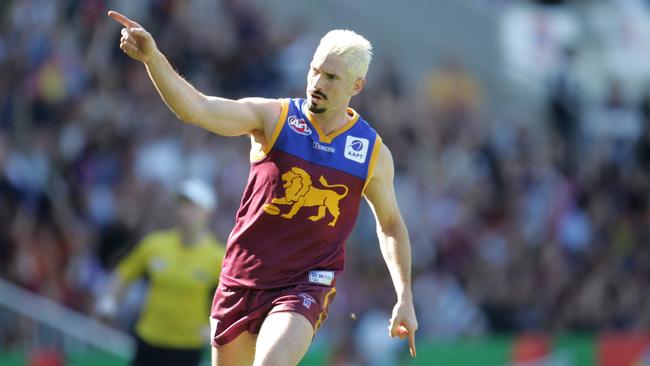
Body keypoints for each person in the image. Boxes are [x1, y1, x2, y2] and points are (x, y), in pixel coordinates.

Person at [107, 10, 418, 366]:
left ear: (356, 86)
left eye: (332, 77)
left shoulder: (372, 152)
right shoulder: (274, 118)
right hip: (241, 279)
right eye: (315, 70)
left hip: (304, 284)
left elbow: (391, 224)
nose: (318, 82)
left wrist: (404, 296)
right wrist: (153, 57)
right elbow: (197, 109)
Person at [95, 178, 225, 366]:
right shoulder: (155, 244)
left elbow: (235, 299)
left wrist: (215, 328)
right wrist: (108, 302)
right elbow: (125, 273)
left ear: (207, 213)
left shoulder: (218, 257)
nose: (185, 212)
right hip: (149, 338)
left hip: (186, 346)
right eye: (182, 206)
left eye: (192, 207)